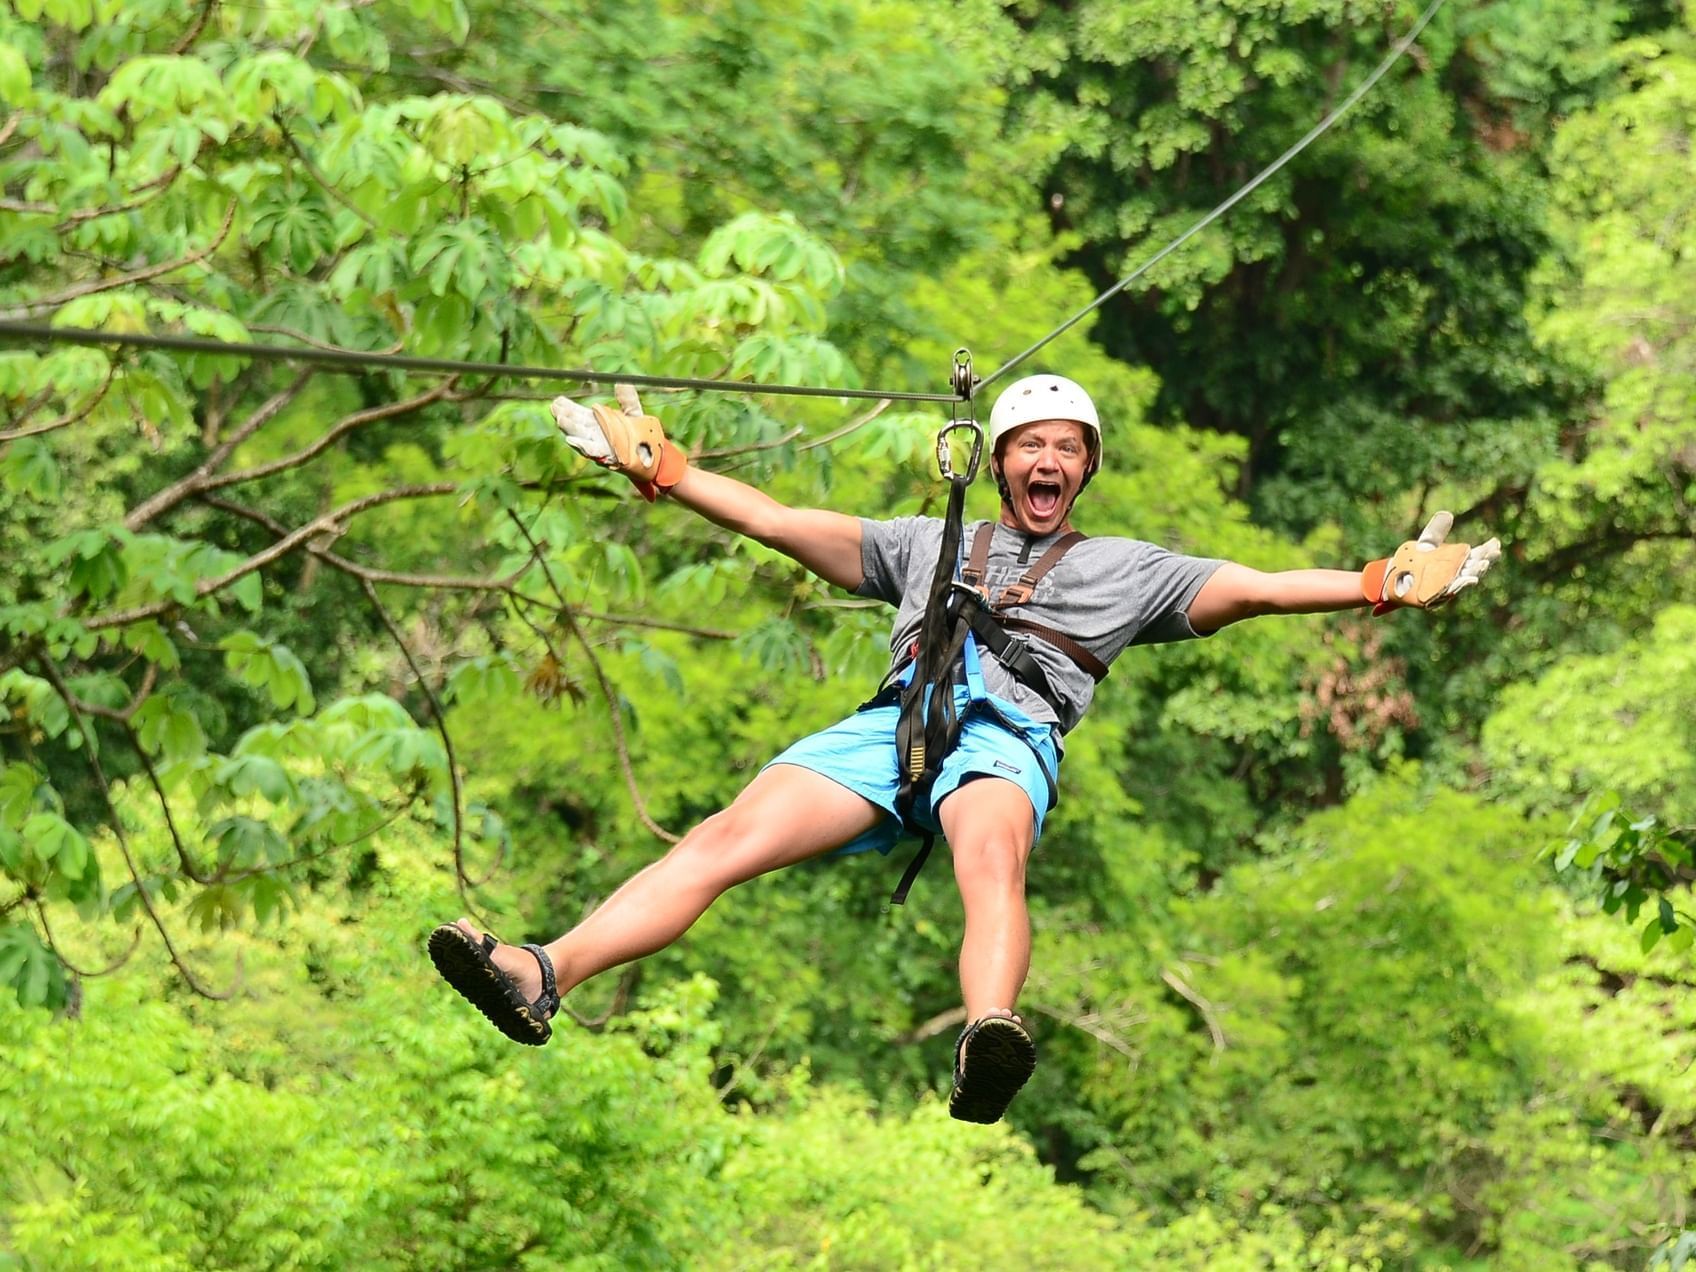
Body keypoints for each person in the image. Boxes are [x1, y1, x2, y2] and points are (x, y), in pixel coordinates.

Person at [428, 374, 1500, 1124]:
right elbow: (773, 518)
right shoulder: (921, 544)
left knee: (991, 861)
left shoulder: (1131, 570)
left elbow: (1259, 588)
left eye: (1065, 450)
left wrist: (1370, 582)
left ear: (1084, 470)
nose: (1047, 461)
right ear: (997, 465)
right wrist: (663, 468)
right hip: (893, 731)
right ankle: (541, 972)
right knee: (720, 839)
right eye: (1031, 447)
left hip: (1005, 736)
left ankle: (991, 1030)